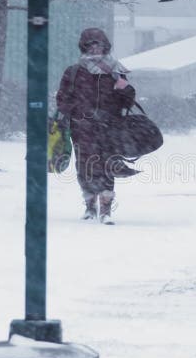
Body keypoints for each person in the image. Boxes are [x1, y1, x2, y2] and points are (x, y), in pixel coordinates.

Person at [56, 28, 138, 225]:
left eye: (98, 45)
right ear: (84, 48)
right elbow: (62, 99)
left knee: (108, 166)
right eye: (90, 46)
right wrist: (81, 112)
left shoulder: (116, 71)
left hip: (110, 128)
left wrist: (124, 89)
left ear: (105, 46)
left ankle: (106, 209)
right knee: (84, 167)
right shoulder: (74, 72)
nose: (94, 49)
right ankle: (90, 206)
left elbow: (128, 101)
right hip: (81, 129)